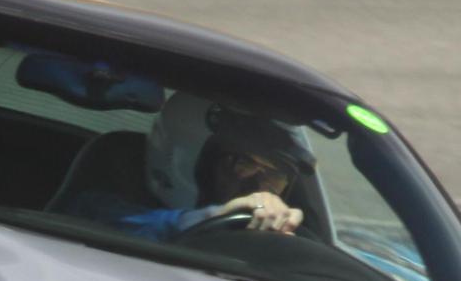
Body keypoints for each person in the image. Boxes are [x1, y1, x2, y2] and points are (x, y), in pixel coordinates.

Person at [63, 102, 313, 242]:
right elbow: (124, 227)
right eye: (244, 164)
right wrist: (218, 215)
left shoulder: (275, 234)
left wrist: (289, 243)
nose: (258, 187)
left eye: (275, 175)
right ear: (184, 157)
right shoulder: (96, 210)